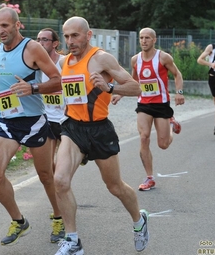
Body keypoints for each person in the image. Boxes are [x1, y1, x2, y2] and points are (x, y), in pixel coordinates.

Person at [53, 16, 149, 254]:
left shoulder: (101, 58)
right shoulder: (65, 61)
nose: (70, 40)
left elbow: (136, 87)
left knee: (115, 187)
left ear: (88, 35)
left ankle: (139, 221)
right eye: (66, 36)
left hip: (99, 129)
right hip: (73, 128)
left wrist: (110, 88)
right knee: (60, 180)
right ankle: (73, 240)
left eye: (75, 35)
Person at [0, 7, 64, 245]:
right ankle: (19, 221)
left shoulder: (32, 48)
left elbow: (57, 81)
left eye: (5, 26)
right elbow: (6, 82)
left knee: (45, 175)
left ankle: (59, 217)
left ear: (17, 25)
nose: (1, 31)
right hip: (8, 121)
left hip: (34, 121)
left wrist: (32, 89)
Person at [113, 28, 185, 191]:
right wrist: (121, 94)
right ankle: (149, 177)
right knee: (144, 137)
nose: (143, 41)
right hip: (144, 104)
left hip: (161, 104)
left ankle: (171, 125)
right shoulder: (135, 60)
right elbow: (134, 80)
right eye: (141, 38)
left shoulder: (164, 57)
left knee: (163, 144)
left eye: (147, 38)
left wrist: (179, 93)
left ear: (154, 40)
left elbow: (177, 74)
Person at [36, 28, 66, 225]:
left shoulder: (64, 62)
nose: (40, 43)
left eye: (44, 40)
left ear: (55, 43)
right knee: (48, 170)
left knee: (62, 172)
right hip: (46, 119)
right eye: (37, 39)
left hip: (66, 121)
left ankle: (64, 204)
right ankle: (61, 207)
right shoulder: (35, 65)